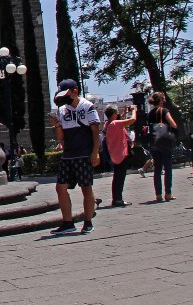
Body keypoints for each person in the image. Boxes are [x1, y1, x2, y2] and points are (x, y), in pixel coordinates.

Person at [49, 79, 101, 233]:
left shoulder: (87, 107)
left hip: (84, 153)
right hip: (69, 154)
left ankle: (88, 221)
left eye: (67, 94)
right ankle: (68, 222)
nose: (64, 97)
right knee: (60, 187)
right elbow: (61, 138)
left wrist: (95, 151)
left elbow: (95, 131)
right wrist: (57, 125)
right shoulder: (62, 110)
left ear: (75, 91)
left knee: (86, 187)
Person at [146, 92, 179, 202]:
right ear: (160, 100)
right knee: (168, 168)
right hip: (165, 143)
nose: (164, 100)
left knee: (157, 169)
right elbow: (173, 124)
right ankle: (168, 193)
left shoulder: (150, 113)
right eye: (163, 99)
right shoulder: (164, 111)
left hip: (154, 143)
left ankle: (158, 195)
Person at [103, 104, 136, 207]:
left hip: (115, 154)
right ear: (113, 114)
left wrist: (125, 113)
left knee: (117, 177)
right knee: (120, 178)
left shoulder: (108, 124)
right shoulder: (115, 124)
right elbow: (132, 120)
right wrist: (134, 110)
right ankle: (118, 199)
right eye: (116, 112)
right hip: (121, 154)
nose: (118, 113)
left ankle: (116, 198)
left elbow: (120, 122)